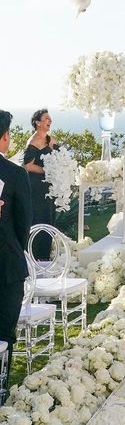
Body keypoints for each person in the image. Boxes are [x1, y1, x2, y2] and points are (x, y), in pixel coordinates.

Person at [0, 109, 32, 392]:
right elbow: (24, 225)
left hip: (7, 265)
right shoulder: (15, 174)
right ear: (5, 138)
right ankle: (2, 388)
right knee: (4, 332)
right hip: (7, 267)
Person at [22, 108, 57, 259]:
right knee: (38, 219)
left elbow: (60, 158)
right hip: (36, 187)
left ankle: (45, 257)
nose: (50, 121)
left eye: (50, 119)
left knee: (49, 219)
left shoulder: (51, 140)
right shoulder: (33, 141)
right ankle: (35, 257)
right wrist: (46, 170)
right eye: (46, 119)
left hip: (49, 187)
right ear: (37, 122)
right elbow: (28, 165)